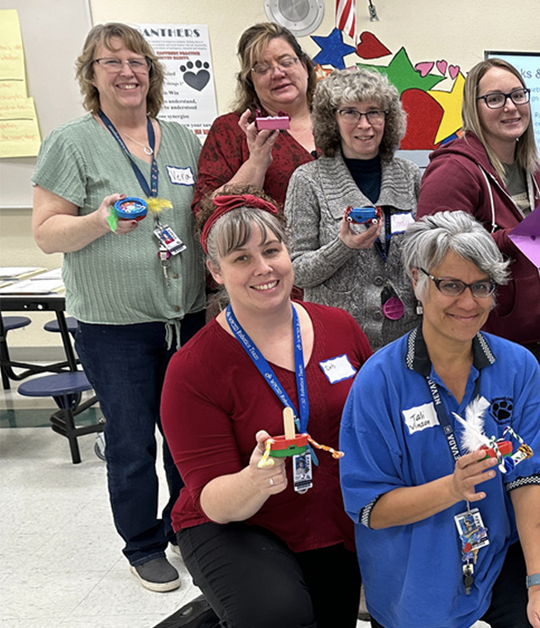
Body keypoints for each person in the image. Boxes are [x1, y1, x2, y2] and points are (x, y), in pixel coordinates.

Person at [30, 22, 206, 592]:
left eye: (137, 60)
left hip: (186, 315)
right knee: (131, 440)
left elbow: (201, 211)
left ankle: (185, 526)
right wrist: (98, 220)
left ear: (152, 73)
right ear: (91, 74)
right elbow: (47, 233)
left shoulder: (180, 138)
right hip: (115, 325)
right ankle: (142, 543)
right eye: (112, 62)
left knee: (186, 435)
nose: (127, 71)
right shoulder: (71, 141)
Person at [339, 211, 540, 628]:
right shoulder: (379, 381)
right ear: (417, 281)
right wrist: (451, 488)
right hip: (414, 572)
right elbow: (370, 507)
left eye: (481, 286)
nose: (468, 303)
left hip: (497, 552)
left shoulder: (518, 367)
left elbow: (529, 479)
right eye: (450, 285)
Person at [162, 190, 370, 626]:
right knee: (278, 615)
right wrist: (255, 480)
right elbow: (216, 502)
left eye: (272, 250)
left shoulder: (340, 327)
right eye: (241, 258)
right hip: (237, 523)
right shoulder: (193, 369)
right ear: (216, 271)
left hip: (329, 516)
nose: (263, 268)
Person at [417, 59, 540, 363]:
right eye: (495, 99)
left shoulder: (534, 168)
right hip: (476, 341)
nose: (510, 107)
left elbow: (538, 253)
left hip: (532, 337)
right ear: (473, 108)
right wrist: (515, 238)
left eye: (518, 95)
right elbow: (430, 254)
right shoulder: (454, 168)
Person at [287, 68, 421, 349]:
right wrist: (343, 245)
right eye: (350, 112)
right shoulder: (308, 180)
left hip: (405, 338)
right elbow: (296, 271)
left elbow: (425, 252)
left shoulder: (409, 175)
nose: (364, 124)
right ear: (331, 119)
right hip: (336, 339)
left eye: (374, 112)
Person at [192, 22, 317, 214]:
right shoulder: (230, 130)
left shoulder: (340, 121)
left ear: (305, 66)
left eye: (285, 62)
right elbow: (205, 211)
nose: (277, 73)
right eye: (262, 68)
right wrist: (256, 163)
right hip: (273, 243)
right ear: (250, 81)